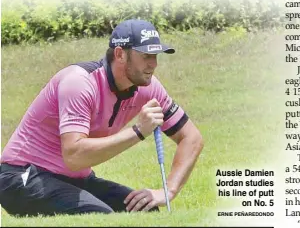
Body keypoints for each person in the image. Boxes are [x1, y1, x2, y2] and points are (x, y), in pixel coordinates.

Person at [0, 19, 204, 216]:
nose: (153, 64)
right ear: (120, 54)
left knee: (143, 210)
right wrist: (138, 132)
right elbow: (74, 156)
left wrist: (168, 190)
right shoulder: (79, 83)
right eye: (145, 56)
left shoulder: (149, 87)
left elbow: (191, 138)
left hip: (73, 179)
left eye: (155, 56)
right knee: (101, 217)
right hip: (20, 176)